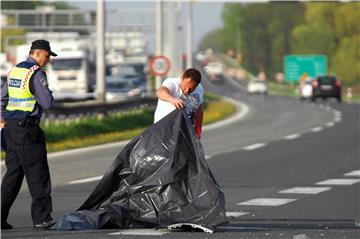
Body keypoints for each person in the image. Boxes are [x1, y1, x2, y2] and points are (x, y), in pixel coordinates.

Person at [0, 39, 57, 230]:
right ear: (38, 53)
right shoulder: (36, 73)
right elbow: (47, 102)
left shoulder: (16, 70)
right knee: (37, 173)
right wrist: (48, 92)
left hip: (11, 129)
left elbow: (2, 97)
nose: (48, 60)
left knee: (13, 176)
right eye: (48, 56)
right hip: (27, 129)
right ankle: (42, 218)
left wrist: (2, 120)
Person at [154, 68, 204, 138]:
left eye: (191, 89)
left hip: (184, 133)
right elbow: (160, 92)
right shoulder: (171, 83)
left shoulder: (199, 89)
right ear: (182, 78)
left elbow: (199, 110)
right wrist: (172, 99)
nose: (187, 91)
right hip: (164, 131)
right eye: (186, 87)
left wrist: (198, 132)